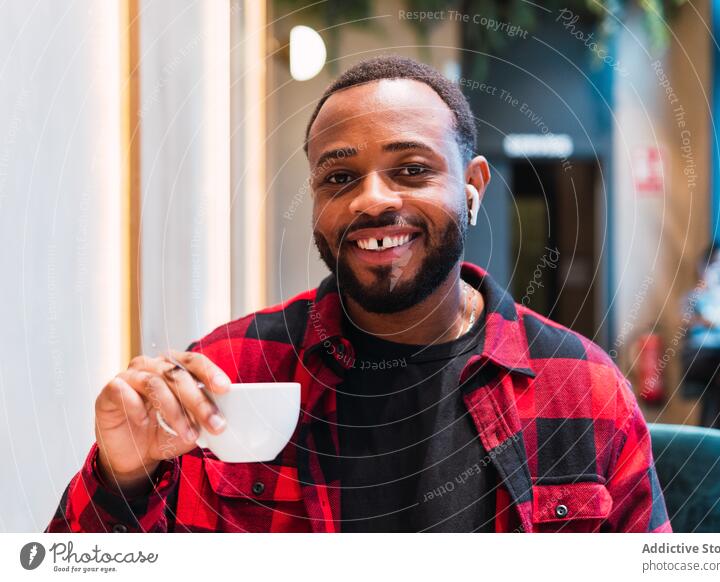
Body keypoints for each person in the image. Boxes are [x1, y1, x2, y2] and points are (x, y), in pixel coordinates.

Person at [46, 55, 669, 533]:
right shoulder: (230, 373)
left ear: (473, 186)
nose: (373, 199)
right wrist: (124, 475)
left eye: (412, 170)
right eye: (340, 177)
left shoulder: (583, 386)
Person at [680, 243, 720, 430]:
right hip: (701, 358)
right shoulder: (696, 297)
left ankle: (716, 441)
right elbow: (687, 319)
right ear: (705, 267)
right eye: (719, 264)